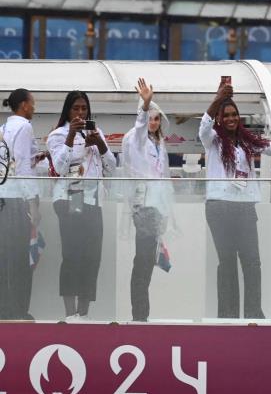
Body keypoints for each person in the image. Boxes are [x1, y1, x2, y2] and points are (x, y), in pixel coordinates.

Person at [200, 81, 271, 319]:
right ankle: (227, 314)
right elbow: (203, 127)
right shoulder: (212, 140)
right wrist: (218, 98)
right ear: (219, 118)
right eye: (225, 115)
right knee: (227, 261)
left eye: (234, 114)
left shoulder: (246, 140)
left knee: (252, 261)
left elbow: (269, 148)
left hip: (245, 207)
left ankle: (253, 312)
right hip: (220, 206)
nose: (231, 118)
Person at [47, 90, 116, 320]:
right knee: (72, 254)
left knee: (92, 256)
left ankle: (84, 312)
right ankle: (69, 313)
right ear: (68, 110)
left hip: (93, 200)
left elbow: (111, 169)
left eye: (83, 108)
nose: (80, 112)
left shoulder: (98, 132)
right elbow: (59, 167)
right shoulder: (57, 135)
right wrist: (71, 137)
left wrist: (101, 146)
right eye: (75, 108)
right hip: (71, 196)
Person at [120, 78, 173, 322]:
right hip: (142, 206)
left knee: (147, 261)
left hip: (156, 208)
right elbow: (140, 126)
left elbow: (164, 177)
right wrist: (145, 104)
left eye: (156, 118)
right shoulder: (135, 137)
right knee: (142, 261)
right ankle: (139, 315)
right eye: (150, 117)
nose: (153, 122)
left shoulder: (159, 142)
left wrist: (165, 212)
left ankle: (142, 313)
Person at [0, 89, 40, 320]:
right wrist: (33, 203)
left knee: (4, 257)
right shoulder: (24, 126)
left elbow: (15, 161)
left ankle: (5, 309)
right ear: (24, 105)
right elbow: (23, 167)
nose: (34, 107)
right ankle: (19, 310)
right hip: (16, 201)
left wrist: (36, 159)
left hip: (2, 197)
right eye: (32, 103)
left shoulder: (3, 129)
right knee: (19, 257)